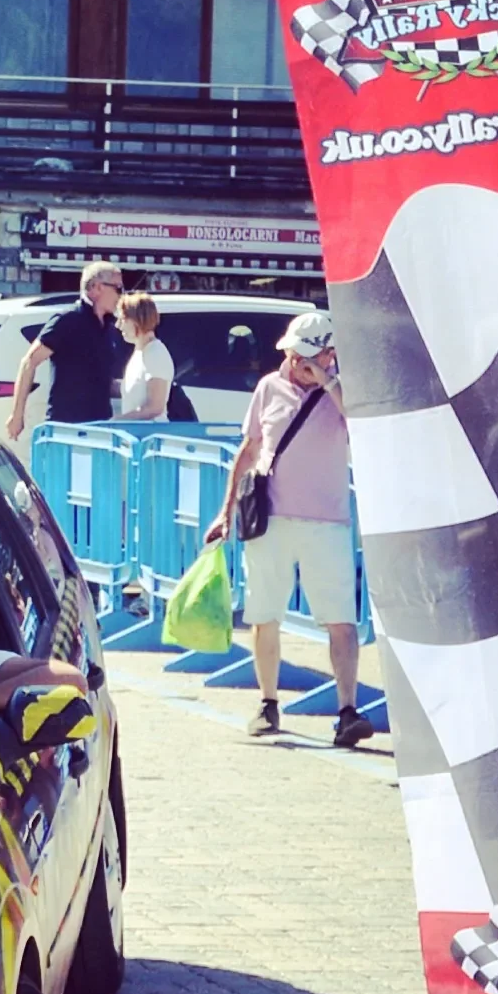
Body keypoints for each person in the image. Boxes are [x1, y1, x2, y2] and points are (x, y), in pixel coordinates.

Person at [205, 309, 375, 750]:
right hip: (272, 518)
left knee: (340, 618)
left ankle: (347, 710)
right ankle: (267, 702)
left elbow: (359, 423)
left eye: (305, 356)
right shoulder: (269, 387)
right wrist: (225, 512)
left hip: (328, 521)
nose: (294, 363)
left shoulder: (343, 390)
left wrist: (327, 378)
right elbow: (248, 450)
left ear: (329, 354)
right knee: (264, 614)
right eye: (291, 354)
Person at [6, 261, 126, 446]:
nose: (122, 295)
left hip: (99, 429)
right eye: (118, 288)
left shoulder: (110, 327)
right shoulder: (68, 320)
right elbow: (29, 362)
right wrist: (17, 414)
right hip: (66, 429)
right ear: (96, 288)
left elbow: (102, 378)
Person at [113, 292, 174, 421]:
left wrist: (118, 421)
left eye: (122, 319)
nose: (118, 325)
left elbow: (155, 408)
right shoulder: (139, 352)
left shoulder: (156, 353)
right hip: (136, 437)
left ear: (137, 320)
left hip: (152, 437)